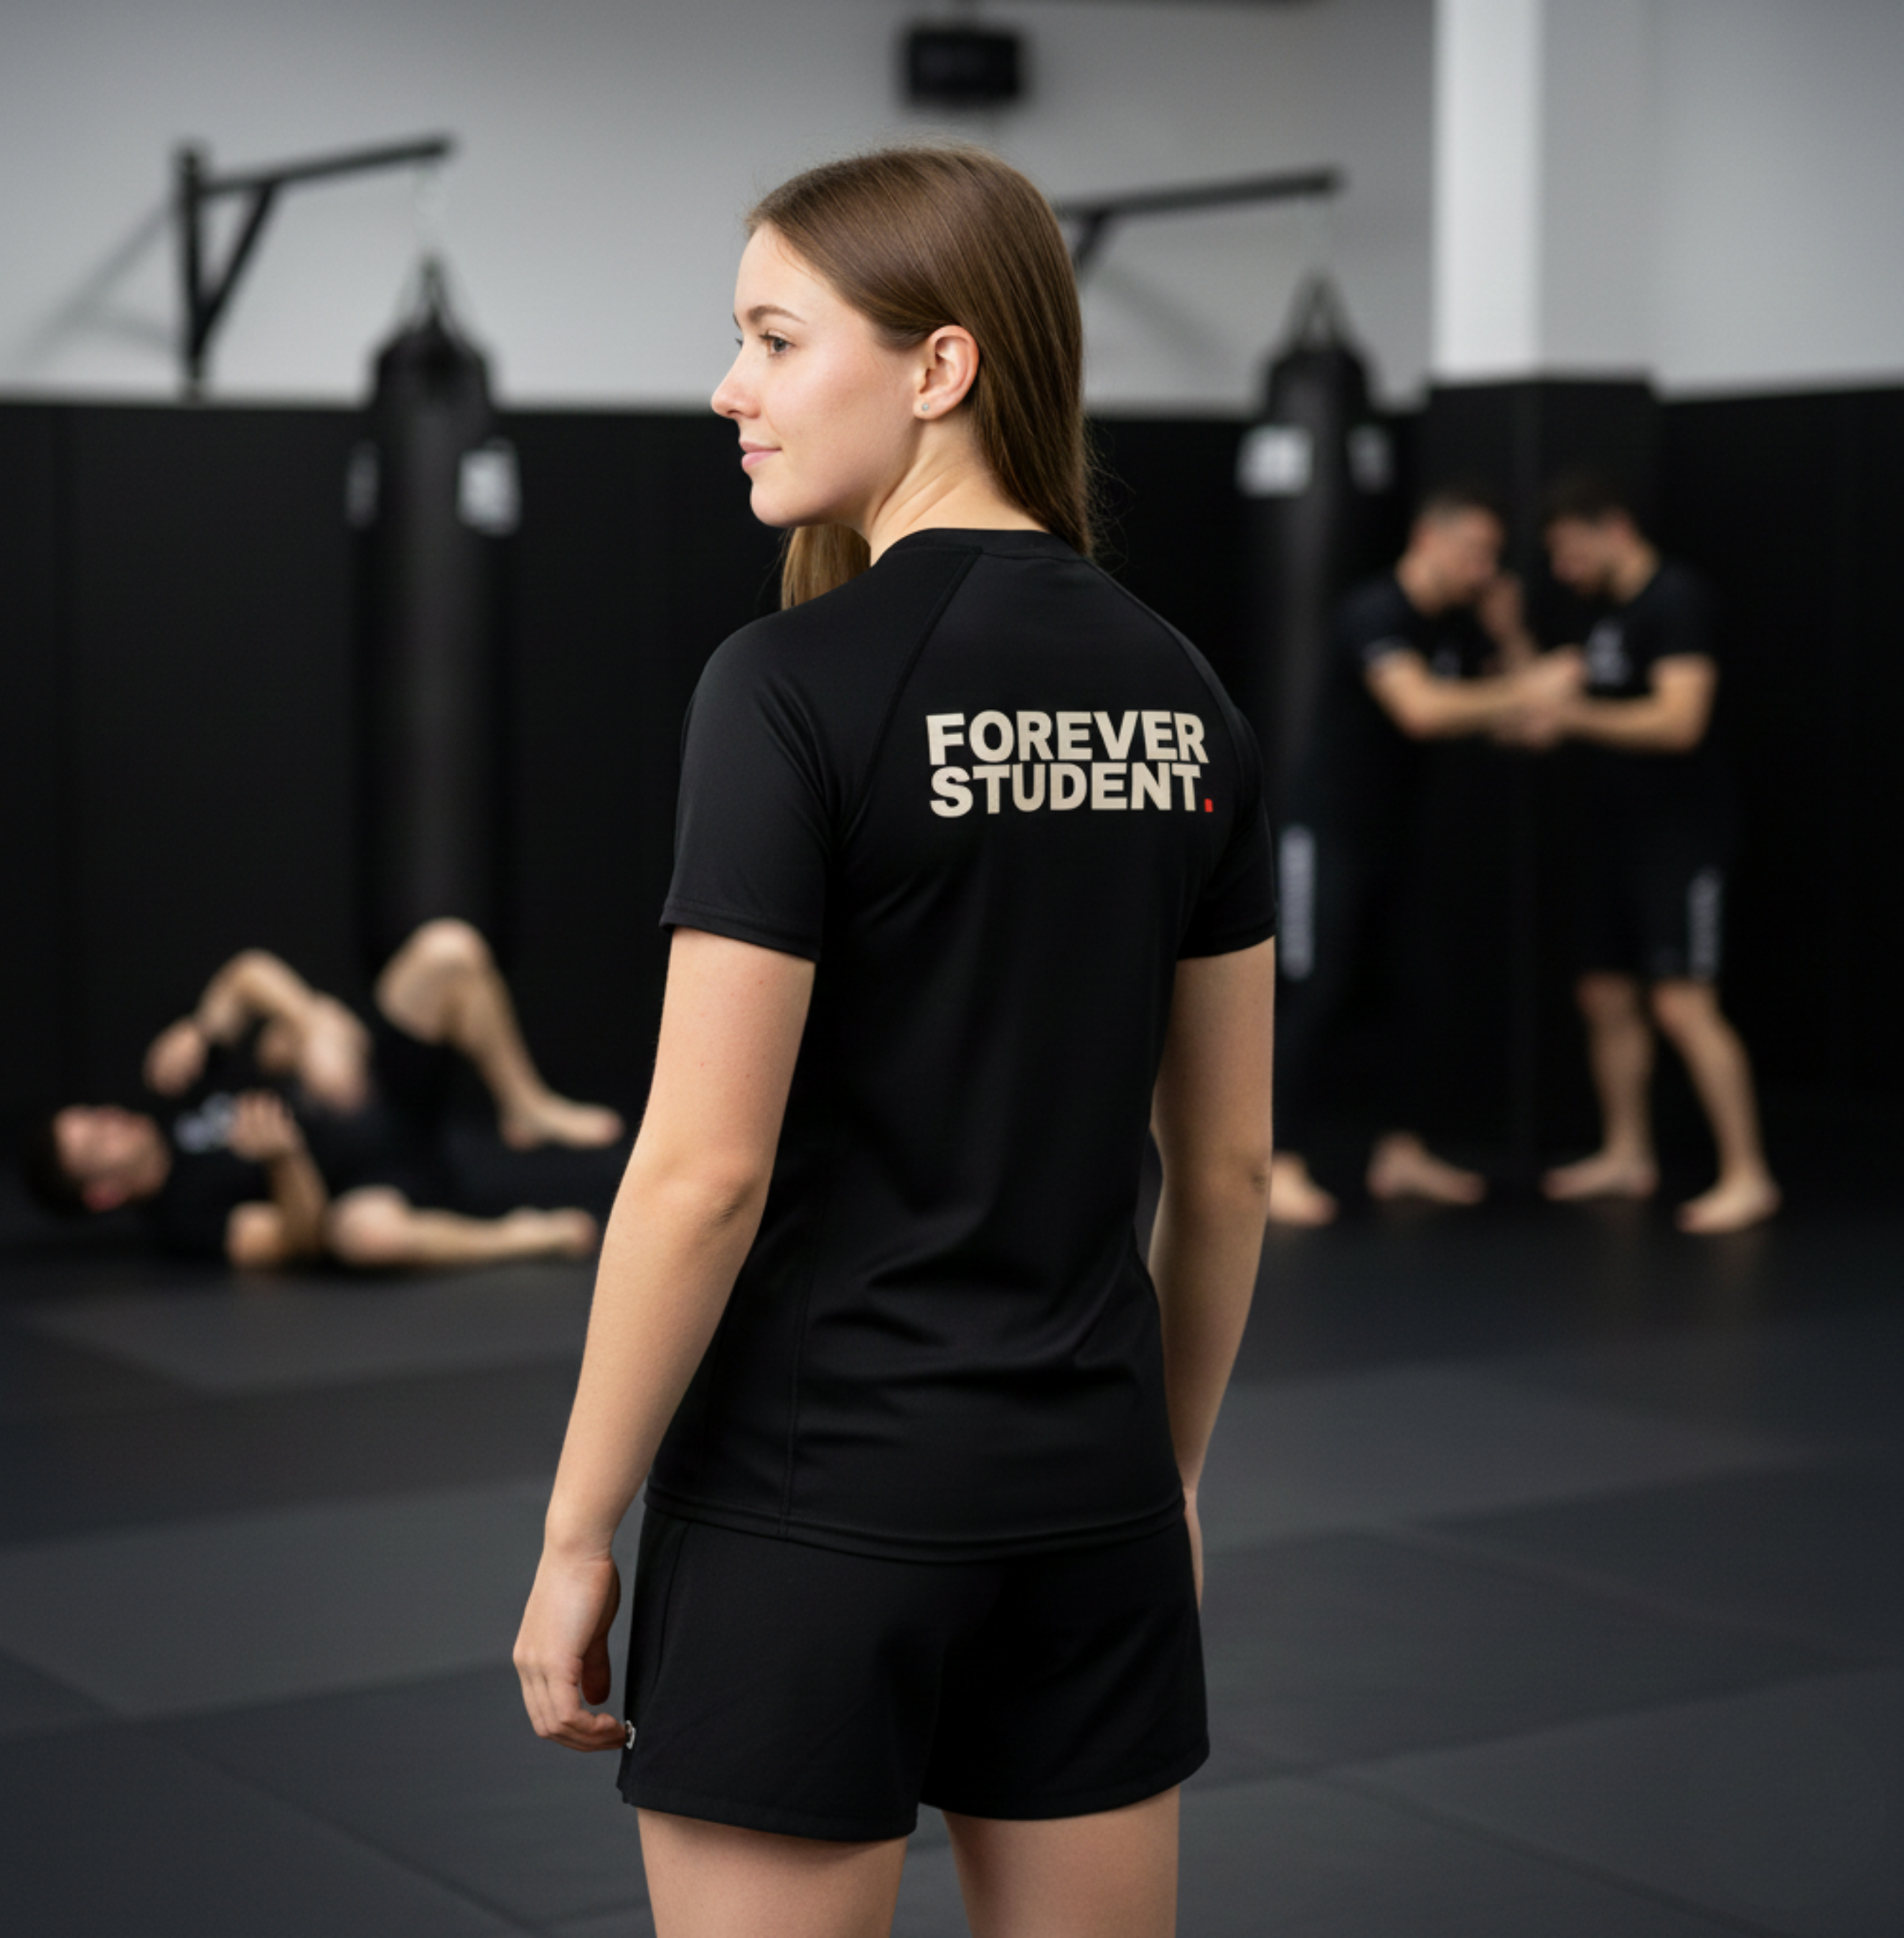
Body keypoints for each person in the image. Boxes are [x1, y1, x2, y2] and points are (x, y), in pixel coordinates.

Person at [512, 147, 1275, 1938]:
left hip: (809, 1505)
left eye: (774, 338)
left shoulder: (784, 685)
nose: (729, 389)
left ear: (938, 368)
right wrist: (1158, 1480)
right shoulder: (1187, 691)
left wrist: (572, 1532)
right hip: (1088, 1510)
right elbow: (1227, 1166)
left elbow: (702, 1171)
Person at [1268, 485, 1582, 1225]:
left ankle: (1400, 1152)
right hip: (1328, 833)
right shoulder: (1375, 612)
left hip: (1399, 838)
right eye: (1474, 552)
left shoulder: (1461, 626)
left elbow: (1534, 726)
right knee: (1315, 993)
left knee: (1419, 990)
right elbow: (1421, 709)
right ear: (1428, 541)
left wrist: (1509, 640)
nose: (1485, 568)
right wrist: (1524, 686)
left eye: (1492, 557)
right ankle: (1277, 1162)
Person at [28, 919, 622, 1268]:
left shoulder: (171, 1089)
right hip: (378, 1177)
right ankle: (519, 1236)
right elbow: (297, 1239)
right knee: (362, 1237)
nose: (110, 1120)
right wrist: (283, 1157)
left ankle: (523, 1102)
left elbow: (248, 974)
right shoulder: (182, 1217)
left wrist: (303, 1024)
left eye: (94, 1116)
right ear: (104, 1192)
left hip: (375, 1083)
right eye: (94, 1140)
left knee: (450, 948)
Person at [1518, 472, 1779, 1234]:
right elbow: (1567, 695)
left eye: (1571, 550)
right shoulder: (1607, 612)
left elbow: (1678, 722)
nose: (1565, 569)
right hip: (1616, 832)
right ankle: (1629, 1153)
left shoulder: (1677, 600)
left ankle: (1748, 1174)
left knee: (1682, 1003)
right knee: (1603, 994)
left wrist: (1572, 718)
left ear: (1615, 528)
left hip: (1681, 836)